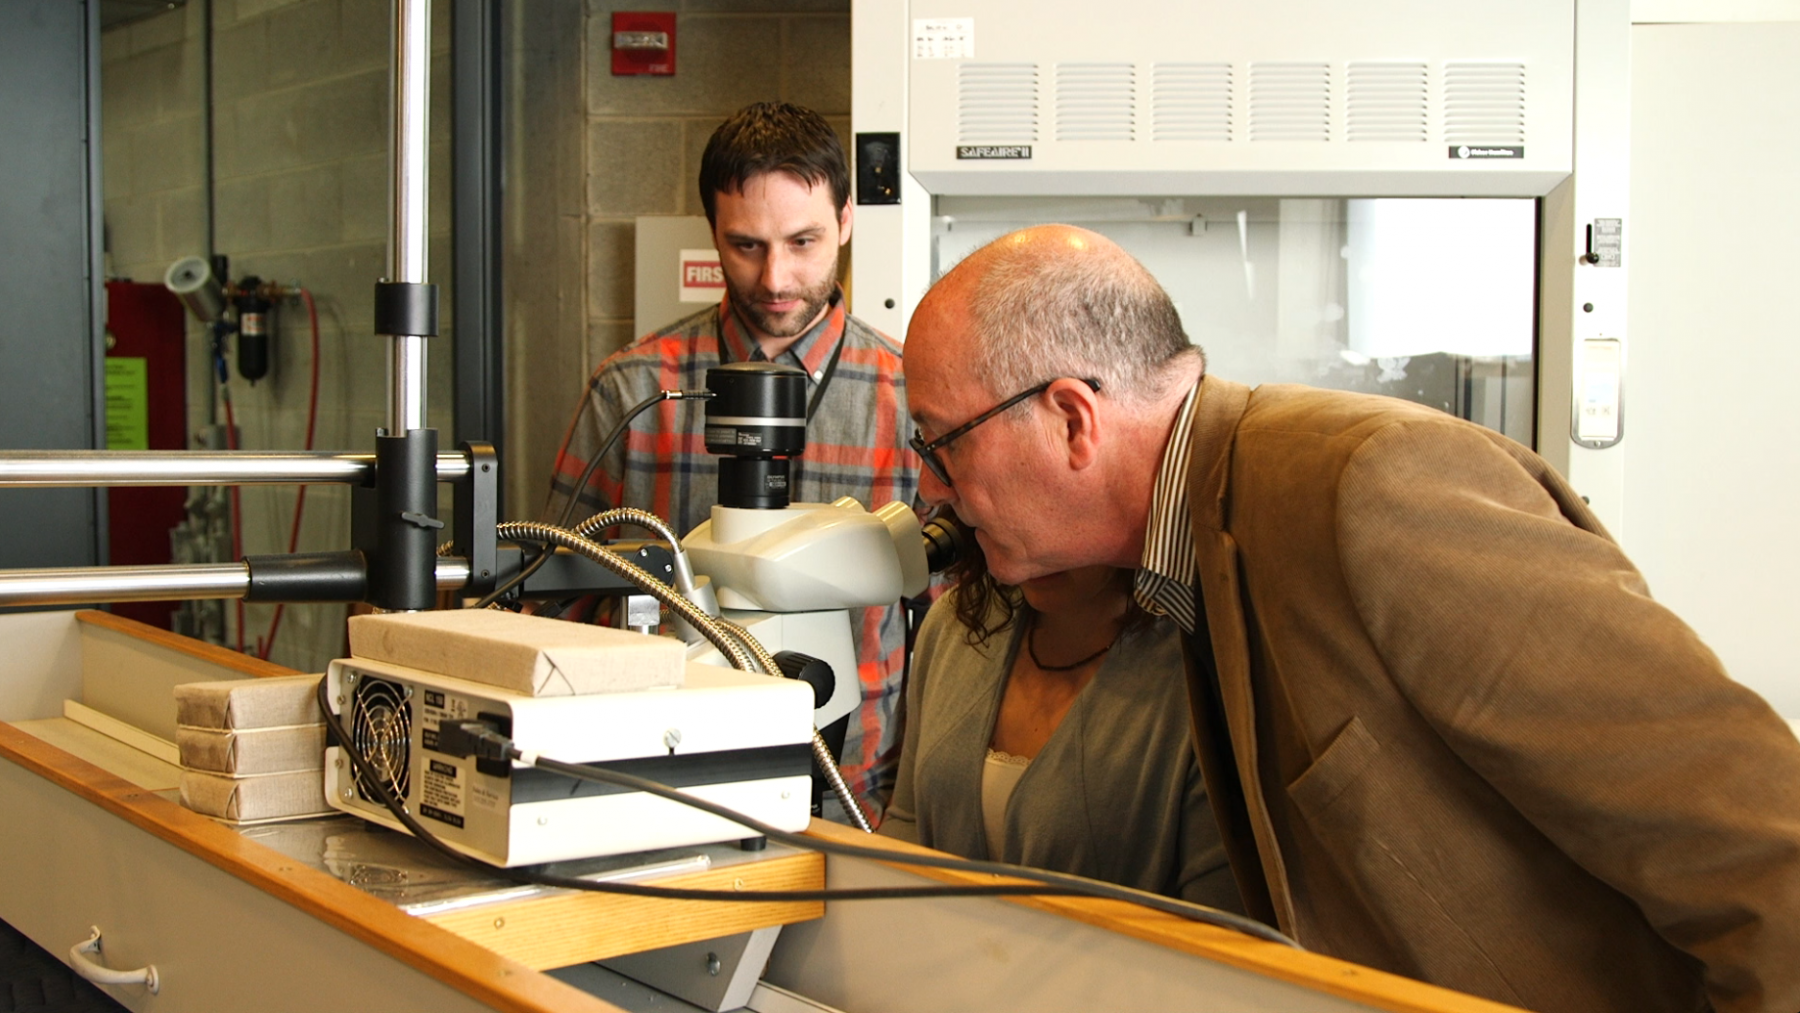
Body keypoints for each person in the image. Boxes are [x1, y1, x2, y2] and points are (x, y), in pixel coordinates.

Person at [899, 224, 1800, 1013]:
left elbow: (1757, 840)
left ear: (1071, 419)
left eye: (942, 443)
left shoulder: (1373, 486)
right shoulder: (1195, 558)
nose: (932, 488)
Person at [543, 103, 917, 824]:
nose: (776, 276)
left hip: (852, 791)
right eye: (745, 245)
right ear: (711, 231)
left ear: (846, 218)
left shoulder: (909, 395)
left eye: (803, 241)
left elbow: (954, 629)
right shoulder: (632, 390)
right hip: (660, 781)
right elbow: (555, 603)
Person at [880, 528, 1243, 910]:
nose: (1030, 536)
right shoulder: (958, 622)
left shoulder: (1200, 670)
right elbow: (909, 823)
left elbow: (1218, 923)